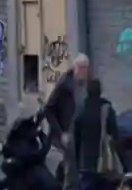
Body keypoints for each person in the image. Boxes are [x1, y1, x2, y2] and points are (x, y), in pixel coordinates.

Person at [45, 55, 91, 186]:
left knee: (79, 168)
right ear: (76, 68)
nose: (84, 72)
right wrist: (61, 133)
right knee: (72, 172)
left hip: (82, 133)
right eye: (81, 68)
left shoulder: (87, 83)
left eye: (86, 69)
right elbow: (48, 109)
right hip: (68, 133)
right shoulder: (65, 83)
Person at [71, 78, 122, 190]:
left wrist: (77, 162)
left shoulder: (81, 110)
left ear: (87, 91)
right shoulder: (107, 109)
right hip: (105, 164)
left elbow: (76, 138)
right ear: (100, 91)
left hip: (86, 163)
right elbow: (115, 135)